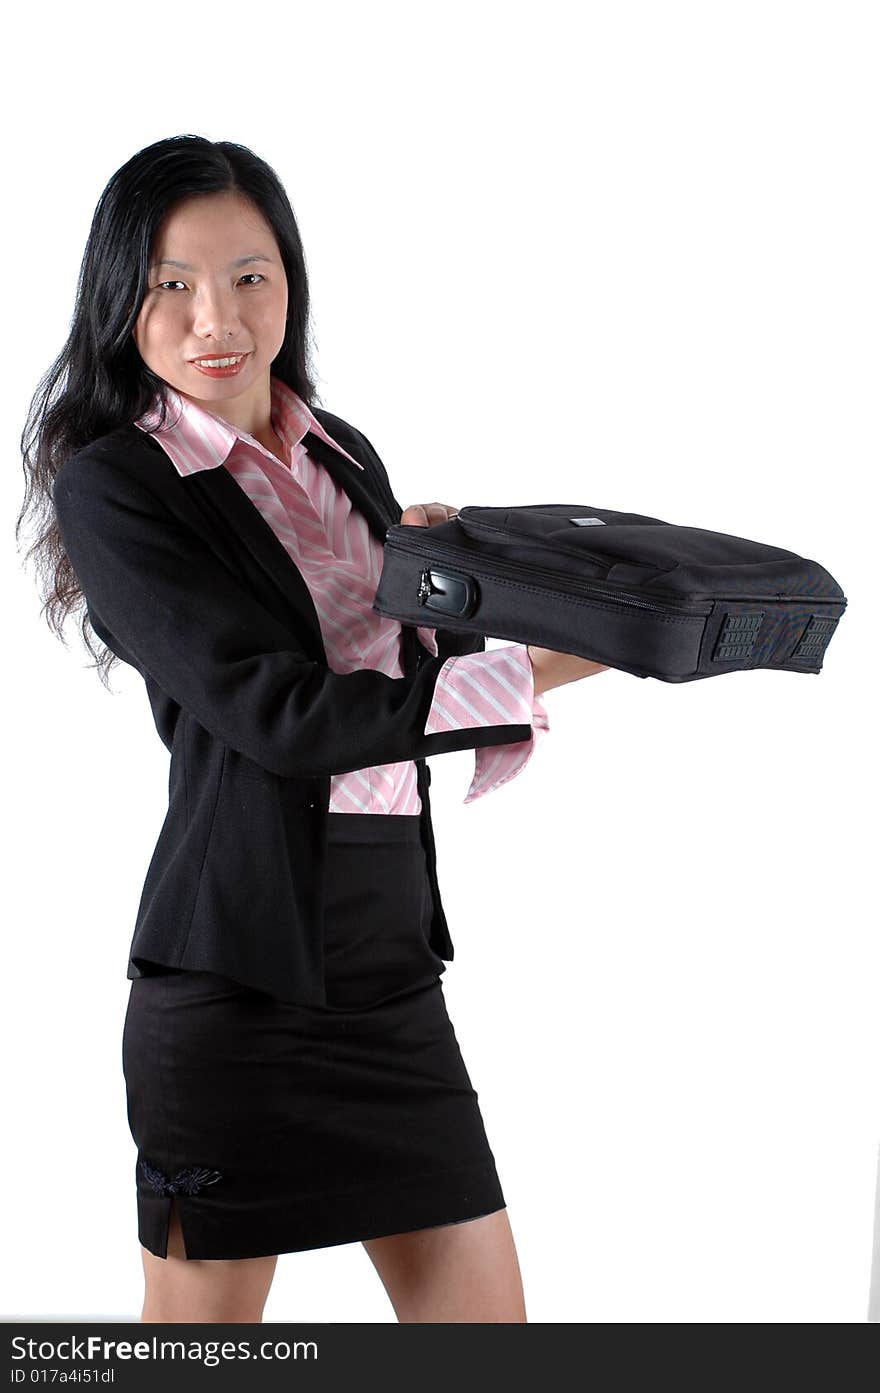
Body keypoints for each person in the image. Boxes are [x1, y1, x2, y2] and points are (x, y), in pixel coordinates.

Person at [18, 135, 608, 1324]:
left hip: (389, 966)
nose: (213, 318)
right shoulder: (117, 485)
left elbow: (395, 674)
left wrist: (479, 584)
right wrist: (550, 668)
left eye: (249, 275)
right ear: (118, 299)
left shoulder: (347, 457)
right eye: (169, 286)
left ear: (289, 280)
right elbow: (279, 714)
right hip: (234, 981)